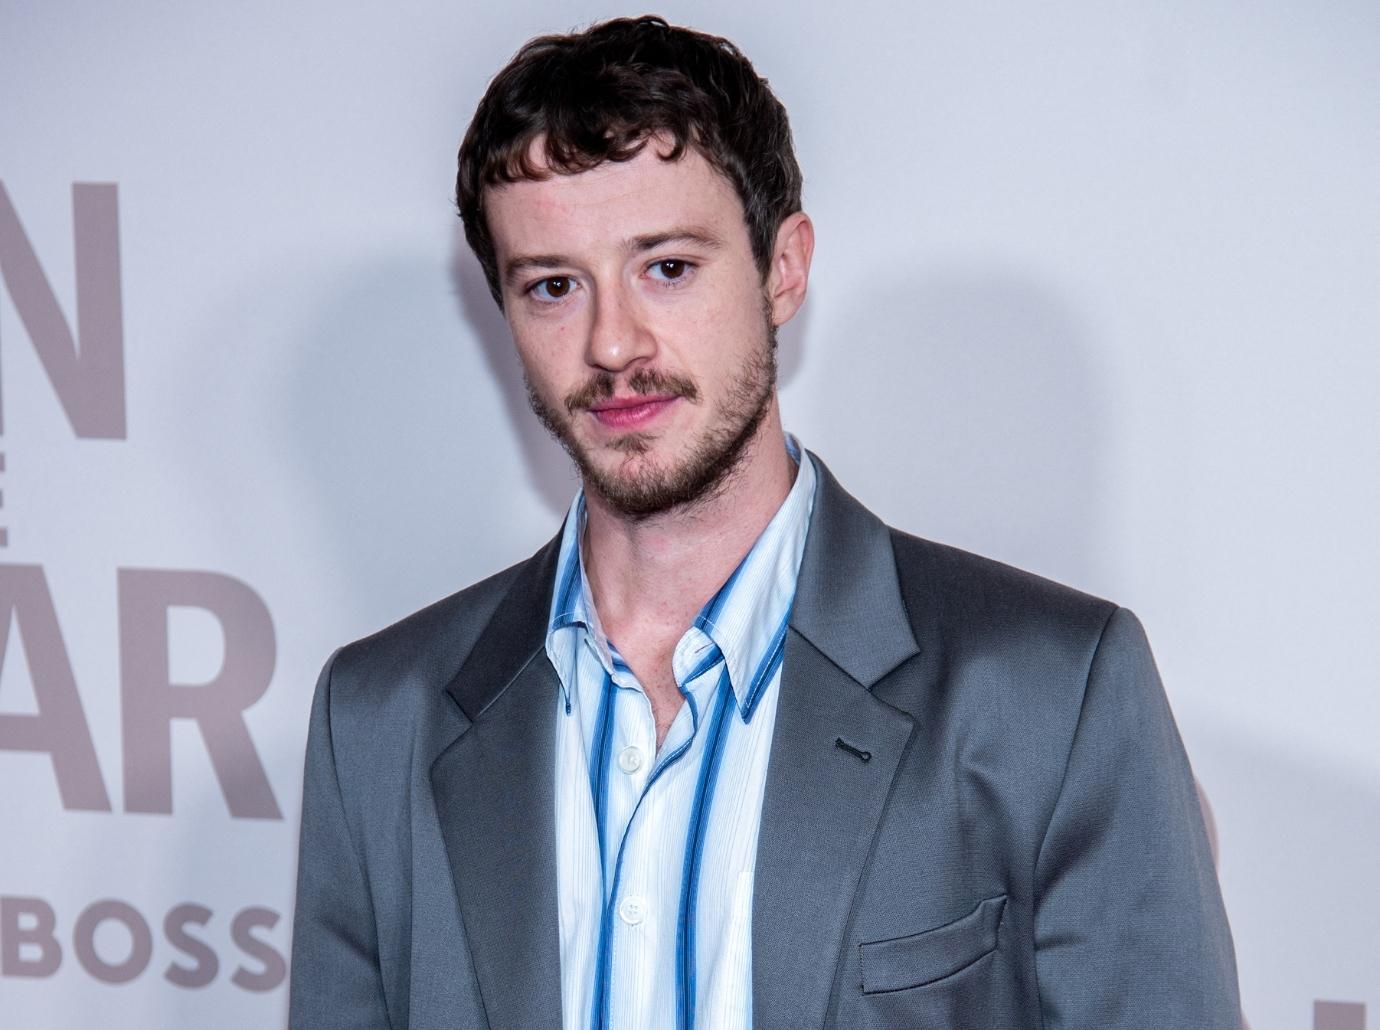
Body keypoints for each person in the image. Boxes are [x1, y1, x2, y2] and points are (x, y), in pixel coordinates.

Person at [289, 15, 1240, 1030]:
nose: (615, 344)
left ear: (782, 269)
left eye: (667, 267)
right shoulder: (377, 721)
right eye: (556, 286)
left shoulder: (1049, 694)